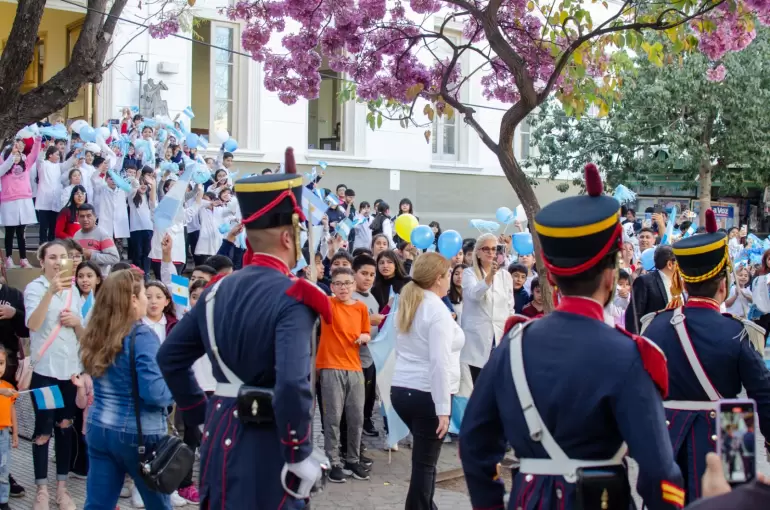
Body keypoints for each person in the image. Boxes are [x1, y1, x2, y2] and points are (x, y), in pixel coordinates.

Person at [459, 163, 684, 510]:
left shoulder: (513, 345)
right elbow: (658, 471)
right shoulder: (627, 354)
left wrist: (491, 504)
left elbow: (475, 443)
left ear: (550, 279)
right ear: (611, 278)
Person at [157, 148, 331, 509]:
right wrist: (298, 451)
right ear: (288, 238)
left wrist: (199, 415)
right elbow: (292, 384)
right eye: (296, 231)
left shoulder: (216, 289)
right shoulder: (294, 296)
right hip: (269, 441)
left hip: (220, 427)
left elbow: (170, 357)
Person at [639, 209, 770, 505]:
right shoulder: (738, 332)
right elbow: (763, 394)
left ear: (683, 283)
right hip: (731, 428)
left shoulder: (653, 325)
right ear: (723, 285)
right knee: (729, 503)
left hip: (668, 429)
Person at [80, 269, 173, 510]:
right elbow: (155, 394)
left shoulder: (96, 333)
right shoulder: (142, 336)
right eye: (143, 293)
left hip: (99, 427)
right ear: (132, 299)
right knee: (159, 505)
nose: (146, 299)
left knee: (97, 504)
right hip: (139, 433)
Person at [391, 253, 463, 510]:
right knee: (425, 465)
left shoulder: (411, 303)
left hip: (402, 390)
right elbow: (439, 363)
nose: (452, 280)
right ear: (437, 279)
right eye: (448, 274)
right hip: (426, 393)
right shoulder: (436, 311)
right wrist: (443, 409)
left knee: (424, 463)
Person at [24, 240, 85, 510]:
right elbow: (33, 325)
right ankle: (41, 490)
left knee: (65, 427)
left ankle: (61, 490)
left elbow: (85, 336)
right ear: (42, 261)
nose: (58, 261)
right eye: (52, 257)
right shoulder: (34, 288)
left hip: (70, 372)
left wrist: (77, 323)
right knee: (43, 430)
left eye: (63, 256)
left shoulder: (76, 291)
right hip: (45, 372)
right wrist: (49, 292)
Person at [318, 267, 371, 483]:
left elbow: (366, 331)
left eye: (348, 283)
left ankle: (352, 459)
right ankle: (333, 461)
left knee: (356, 417)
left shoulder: (361, 308)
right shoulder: (328, 305)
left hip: (355, 368)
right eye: (339, 283)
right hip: (331, 366)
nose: (343, 287)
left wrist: (364, 337)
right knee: (333, 417)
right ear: (332, 286)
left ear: (354, 285)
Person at [459, 233, 514, 384]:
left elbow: (510, 307)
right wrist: (489, 276)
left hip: (500, 336)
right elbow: (474, 295)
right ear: (478, 252)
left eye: (494, 249)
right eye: (486, 249)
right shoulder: (469, 273)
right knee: (481, 385)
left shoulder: (505, 276)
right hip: (478, 338)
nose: (491, 252)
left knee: (500, 384)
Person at [625, 245, 676, 334]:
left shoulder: (680, 283)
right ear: (670, 264)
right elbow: (633, 315)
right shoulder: (645, 281)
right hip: (651, 338)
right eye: (678, 262)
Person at [73, 204, 120, 275]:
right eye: (82, 216)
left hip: (100, 279)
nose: (85, 219)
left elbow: (114, 258)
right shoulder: (76, 235)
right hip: (82, 279)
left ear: (95, 217)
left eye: (88, 216)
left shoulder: (102, 234)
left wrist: (91, 255)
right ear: (78, 218)